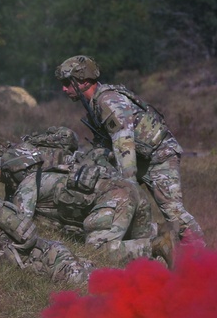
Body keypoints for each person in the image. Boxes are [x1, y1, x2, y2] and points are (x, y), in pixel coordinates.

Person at [55, 55, 203, 243]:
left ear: (82, 81)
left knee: (172, 212)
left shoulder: (108, 101)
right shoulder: (94, 104)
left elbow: (123, 141)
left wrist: (129, 182)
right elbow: (106, 144)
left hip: (160, 157)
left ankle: (204, 254)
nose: (64, 88)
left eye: (68, 83)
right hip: (140, 158)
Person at [0, 143, 177, 268]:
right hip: (133, 192)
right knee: (141, 261)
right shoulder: (53, 172)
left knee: (99, 251)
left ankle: (155, 245)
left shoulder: (27, 186)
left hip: (115, 198)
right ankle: (169, 247)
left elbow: (19, 225)